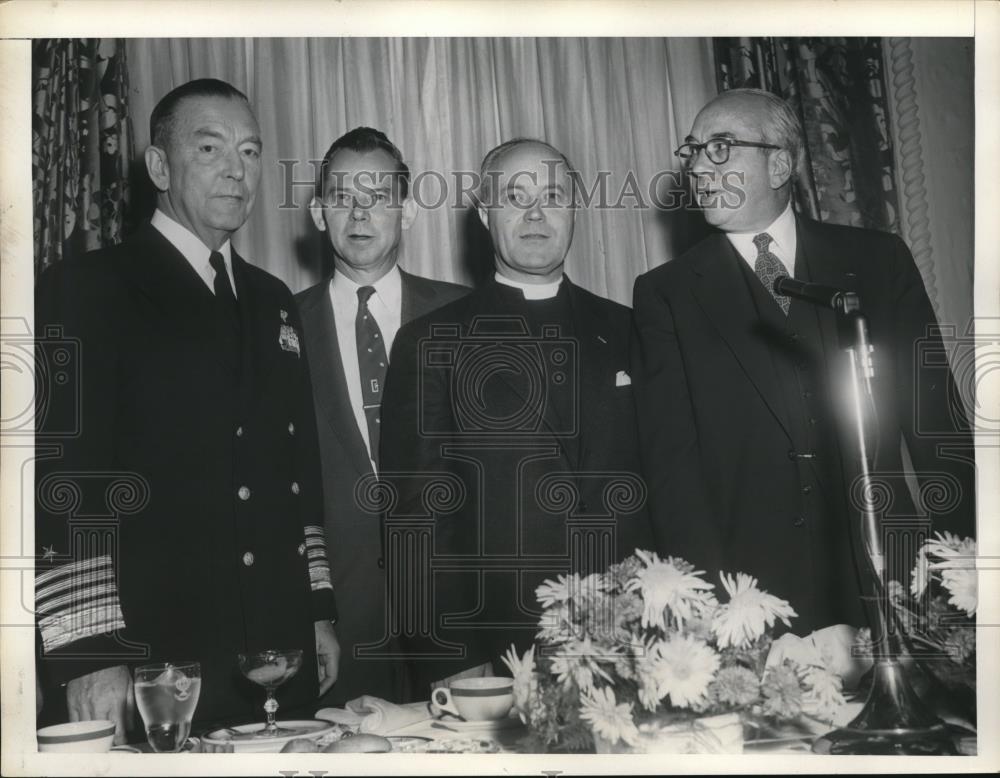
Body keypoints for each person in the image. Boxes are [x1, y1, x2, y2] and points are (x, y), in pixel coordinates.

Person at [34, 78, 340, 741]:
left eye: (252, 152)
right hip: (160, 660)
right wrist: (89, 654)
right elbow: (65, 484)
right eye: (210, 147)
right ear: (159, 166)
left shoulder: (273, 299)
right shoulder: (88, 288)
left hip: (277, 650)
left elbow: (300, 474)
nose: (237, 169)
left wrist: (317, 611)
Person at [631, 88, 976, 633]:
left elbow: (938, 426)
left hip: (894, 579)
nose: (698, 167)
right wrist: (712, 606)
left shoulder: (877, 260)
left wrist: (964, 568)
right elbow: (673, 468)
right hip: (756, 594)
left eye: (720, 148)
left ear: (780, 163)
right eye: (692, 151)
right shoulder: (666, 294)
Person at [380, 138, 654, 695]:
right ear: (484, 213)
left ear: (574, 208)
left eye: (553, 195)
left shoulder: (633, 331)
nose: (535, 213)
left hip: (636, 642)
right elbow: (415, 520)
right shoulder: (432, 341)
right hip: (502, 649)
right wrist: (451, 662)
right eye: (515, 195)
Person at [295, 127, 467, 704]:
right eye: (343, 196)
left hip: (456, 620)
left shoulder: (466, 315)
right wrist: (312, 613)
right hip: (337, 623)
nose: (360, 213)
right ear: (319, 213)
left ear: (408, 210)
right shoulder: (279, 327)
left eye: (378, 196)